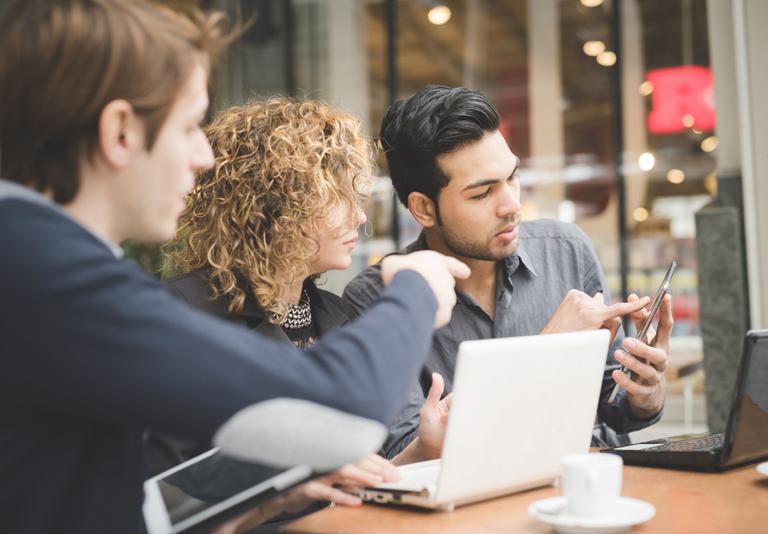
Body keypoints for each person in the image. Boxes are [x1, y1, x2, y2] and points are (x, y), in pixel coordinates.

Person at [0, 3, 468, 531]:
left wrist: (264, 501)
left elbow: (106, 501)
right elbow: (336, 414)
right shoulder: (48, 277)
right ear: (120, 132)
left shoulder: (35, 262)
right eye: (188, 126)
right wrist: (414, 288)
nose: (203, 157)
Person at [150, 98, 453, 515]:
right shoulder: (183, 314)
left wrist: (422, 448)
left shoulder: (336, 312)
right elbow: (166, 496)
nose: (360, 219)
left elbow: (345, 487)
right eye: (340, 197)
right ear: (276, 205)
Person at [343, 85, 673, 460]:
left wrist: (645, 395)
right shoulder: (376, 297)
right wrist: (543, 350)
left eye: (512, 178)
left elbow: (610, 406)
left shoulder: (565, 249)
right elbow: (407, 454)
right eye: (482, 194)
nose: (512, 205)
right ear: (423, 209)